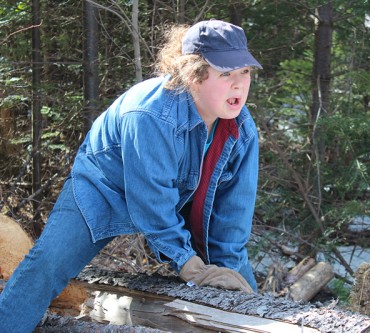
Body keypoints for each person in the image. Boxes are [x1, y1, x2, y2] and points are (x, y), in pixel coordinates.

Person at [0, 19, 262, 332]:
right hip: (103, 188)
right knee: (46, 266)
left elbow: (232, 216)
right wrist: (188, 263)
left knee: (246, 294)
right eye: (226, 73)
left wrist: (230, 275)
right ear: (194, 76)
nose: (238, 84)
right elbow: (151, 202)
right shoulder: (149, 113)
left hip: (176, 196)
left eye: (244, 72)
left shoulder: (242, 129)